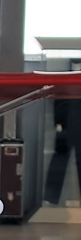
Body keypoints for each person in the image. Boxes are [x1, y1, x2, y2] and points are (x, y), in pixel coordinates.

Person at [45, 61, 81, 204]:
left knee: (76, 162)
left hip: (72, 127)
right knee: (59, 162)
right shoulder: (65, 78)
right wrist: (58, 124)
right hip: (65, 128)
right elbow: (58, 103)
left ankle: (51, 198)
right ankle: (51, 198)